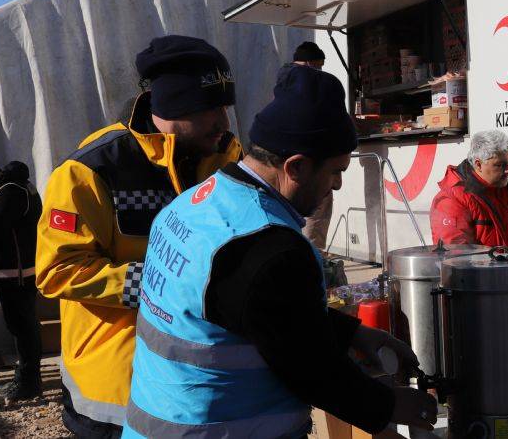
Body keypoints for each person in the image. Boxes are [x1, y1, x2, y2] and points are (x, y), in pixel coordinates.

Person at [124, 65, 436, 437]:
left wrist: (351, 333)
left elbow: (258, 314)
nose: (336, 186)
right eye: (335, 171)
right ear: (297, 167)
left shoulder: (193, 205)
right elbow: (311, 369)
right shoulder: (269, 249)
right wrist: (392, 405)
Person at [36, 35, 243, 438]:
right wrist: (160, 283)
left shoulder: (225, 155)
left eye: (225, 106)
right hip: (116, 389)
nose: (223, 121)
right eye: (207, 108)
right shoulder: (90, 171)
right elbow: (57, 270)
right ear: (169, 106)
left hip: (196, 376)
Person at [0, 160, 43, 402]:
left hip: (15, 271)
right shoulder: (15, 186)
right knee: (21, 325)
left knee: (22, 326)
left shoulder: (9, 191)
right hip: (5, 269)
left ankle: (29, 382)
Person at [430, 130, 508, 252]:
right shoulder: (454, 198)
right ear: (478, 164)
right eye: (499, 165)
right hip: (488, 271)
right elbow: (454, 256)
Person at [283, 41, 333, 251]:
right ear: (309, 62)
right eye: (318, 66)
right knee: (316, 214)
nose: (320, 71)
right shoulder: (306, 83)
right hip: (310, 161)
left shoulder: (283, 81)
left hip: (290, 164)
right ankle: (313, 260)